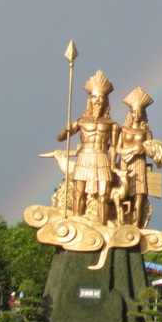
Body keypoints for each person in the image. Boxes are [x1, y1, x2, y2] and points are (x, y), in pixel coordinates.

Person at [58, 70, 118, 224]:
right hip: (84, 157)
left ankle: (103, 225)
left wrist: (113, 165)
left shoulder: (112, 125)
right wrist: (67, 129)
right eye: (94, 97)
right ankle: (77, 224)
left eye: (100, 97)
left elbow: (114, 147)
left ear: (105, 100)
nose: (97, 100)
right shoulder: (81, 121)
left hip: (102, 157)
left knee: (104, 195)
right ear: (89, 99)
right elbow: (61, 138)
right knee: (78, 193)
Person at [116, 87, 154, 228]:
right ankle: (121, 222)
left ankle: (135, 226)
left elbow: (151, 150)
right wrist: (132, 149)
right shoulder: (123, 130)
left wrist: (142, 150)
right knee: (123, 194)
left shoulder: (146, 132)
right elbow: (118, 148)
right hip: (125, 163)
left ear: (142, 113)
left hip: (139, 164)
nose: (136, 114)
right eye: (134, 112)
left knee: (138, 197)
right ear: (130, 113)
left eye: (139, 112)